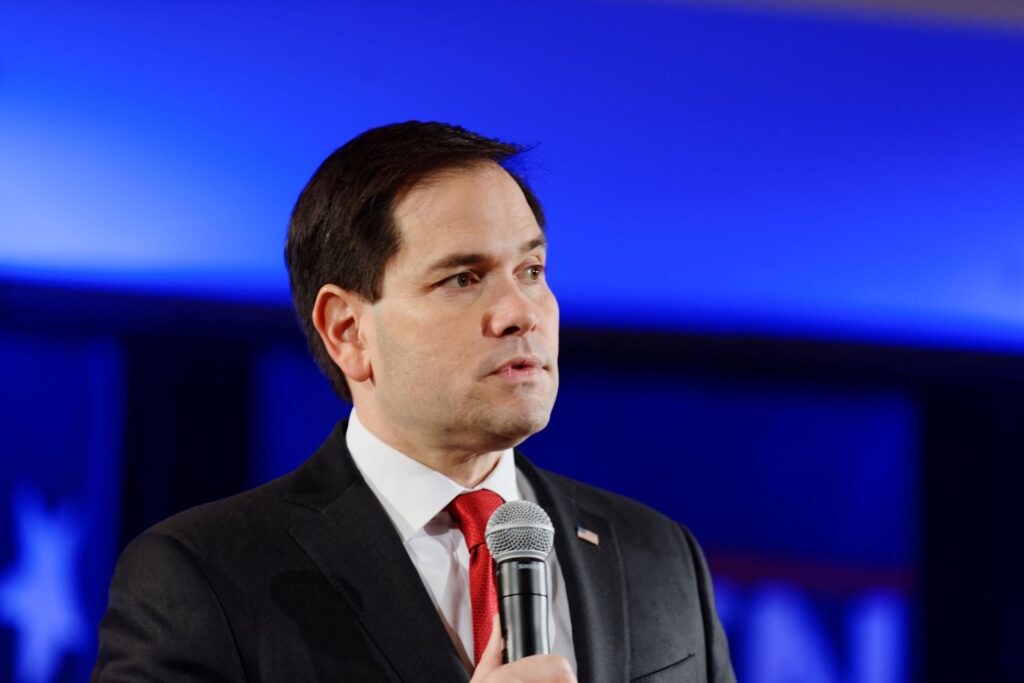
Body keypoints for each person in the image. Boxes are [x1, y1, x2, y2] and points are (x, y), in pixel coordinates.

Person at [92, 121, 735, 682]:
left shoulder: (658, 555)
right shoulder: (204, 576)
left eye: (532, 271)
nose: (520, 312)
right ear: (349, 331)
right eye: (463, 278)